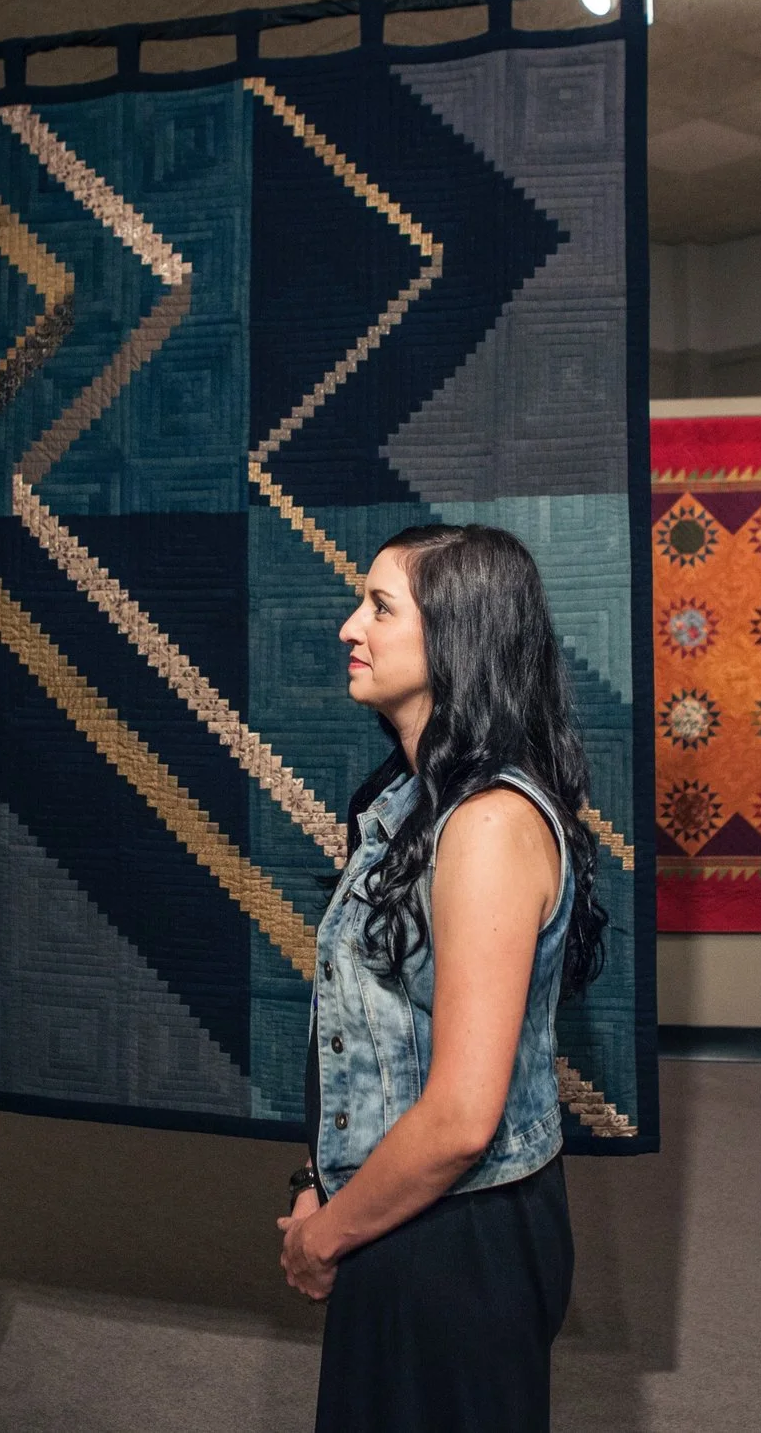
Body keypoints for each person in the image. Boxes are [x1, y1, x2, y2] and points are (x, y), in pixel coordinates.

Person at [276, 523, 608, 1433]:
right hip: (401, 1209)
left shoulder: (489, 824)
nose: (350, 626)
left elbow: (462, 1116)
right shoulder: (409, 801)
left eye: (380, 607)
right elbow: (381, 1042)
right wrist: (323, 1179)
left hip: (460, 1243)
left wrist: (323, 1235)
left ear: (458, 638)